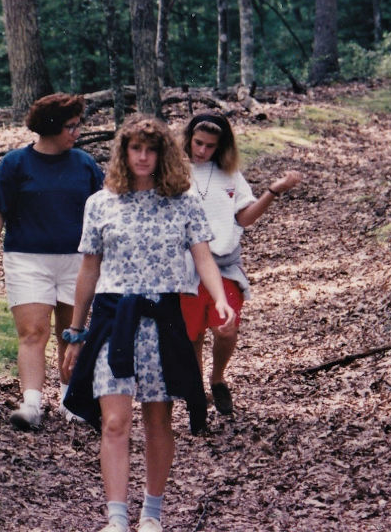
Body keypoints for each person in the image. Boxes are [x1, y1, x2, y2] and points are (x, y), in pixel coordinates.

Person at [61, 115, 235, 532]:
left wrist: (219, 299)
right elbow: (88, 271)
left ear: (163, 154)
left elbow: (203, 258)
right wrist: (74, 332)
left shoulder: (184, 202)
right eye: (135, 148)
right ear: (123, 152)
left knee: (158, 419)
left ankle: (151, 514)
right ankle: (116, 518)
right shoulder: (99, 203)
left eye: (151, 149)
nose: (143, 156)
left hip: (163, 318)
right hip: (111, 318)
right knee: (115, 420)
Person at [0, 93, 104, 430]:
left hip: (78, 261)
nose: (76, 132)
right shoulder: (15, 163)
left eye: (78, 125)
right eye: (70, 126)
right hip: (27, 259)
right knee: (33, 333)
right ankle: (31, 404)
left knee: (71, 333)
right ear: (49, 127)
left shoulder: (85, 164)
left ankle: (71, 400)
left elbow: (108, 208)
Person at [179, 112, 302, 415]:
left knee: (226, 328)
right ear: (188, 139)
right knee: (190, 334)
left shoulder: (230, 175)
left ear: (222, 146)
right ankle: (197, 393)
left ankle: (217, 377)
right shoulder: (174, 171)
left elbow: (244, 217)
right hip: (182, 266)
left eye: (210, 145)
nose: (202, 151)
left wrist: (274, 191)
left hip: (223, 264)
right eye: (198, 143)